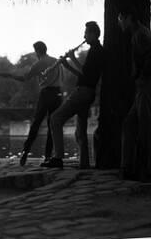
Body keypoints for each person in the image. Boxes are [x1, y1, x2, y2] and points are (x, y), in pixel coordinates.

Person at [41, 21, 105, 169]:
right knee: (80, 131)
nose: (84, 36)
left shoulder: (96, 51)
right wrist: (67, 65)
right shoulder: (96, 50)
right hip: (87, 92)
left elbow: (86, 73)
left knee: (55, 119)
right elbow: (85, 76)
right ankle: (84, 164)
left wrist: (73, 57)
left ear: (94, 34)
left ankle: (58, 158)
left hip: (82, 93)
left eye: (87, 33)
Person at [0, 41, 64, 166]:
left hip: (46, 94)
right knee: (52, 125)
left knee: (36, 123)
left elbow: (25, 78)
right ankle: (48, 156)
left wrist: (10, 76)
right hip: (58, 94)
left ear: (38, 51)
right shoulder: (57, 61)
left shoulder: (39, 63)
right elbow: (62, 79)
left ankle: (25, 152)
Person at [118, 9, 151, 183]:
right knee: (129, 124)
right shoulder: (139, 33)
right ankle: (129, 167)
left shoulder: (139, 34)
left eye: (120, 18)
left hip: (147, 84)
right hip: (145, 85)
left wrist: (142, 76)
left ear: (128, 17)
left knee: (147, 129)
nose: (119, 22)